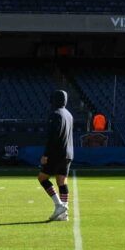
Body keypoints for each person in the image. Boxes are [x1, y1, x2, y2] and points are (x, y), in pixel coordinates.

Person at [39, 89, 74, 222]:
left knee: (42, 178)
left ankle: (59, 205)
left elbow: (53, 136)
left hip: (57, 153)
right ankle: (64, 213)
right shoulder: (69, 114)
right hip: (68, 153)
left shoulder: (55, 114)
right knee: (61, 181)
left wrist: (46, 154)